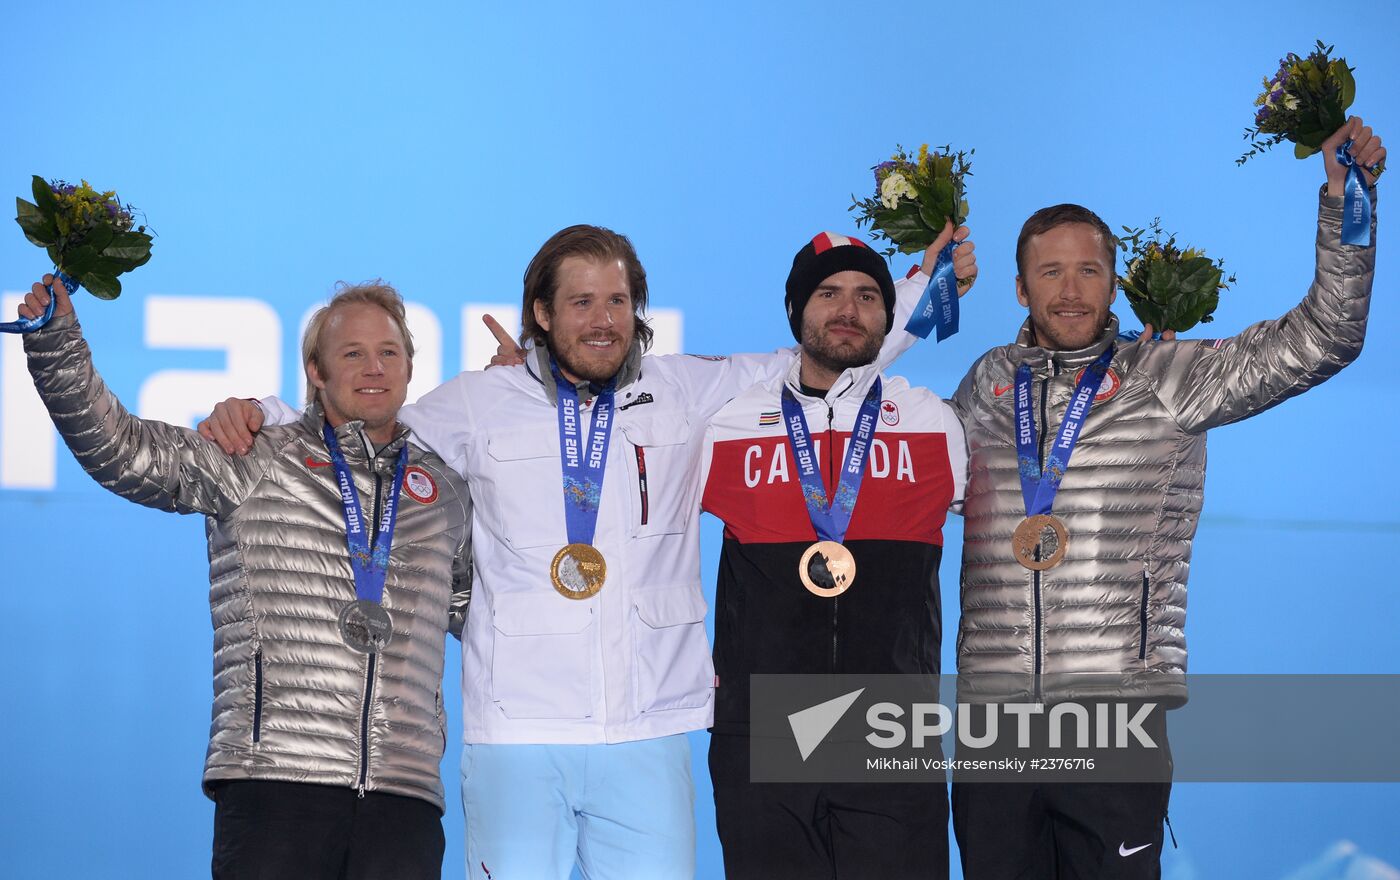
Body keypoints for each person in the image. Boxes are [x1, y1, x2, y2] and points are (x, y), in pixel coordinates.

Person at [199, 222, 976, 879]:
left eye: (617, 301)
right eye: (580, 302)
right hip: (516, 732)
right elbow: (368, 422)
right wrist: (257, 412)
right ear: (541, 312)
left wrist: (926, 286)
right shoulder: (478, 402)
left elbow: (828, 348)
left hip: (650, 727)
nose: (602, 320)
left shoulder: (690, 389)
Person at [947, 117, 1382, 879]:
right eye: (1050, 273)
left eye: (1088, 270)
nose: (1070, 290)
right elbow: (910, 482)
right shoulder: (986, 385)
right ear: (1020, 286)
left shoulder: (1168, 375)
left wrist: (1344, 206)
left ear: (1115, 281)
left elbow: (1327, 336)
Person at [18, 278, 472, 880]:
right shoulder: (254, 457)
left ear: (411, 367)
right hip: (274, 783)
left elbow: (495, 615)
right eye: (352, 353)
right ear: (315, 369)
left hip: (404, 796)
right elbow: (121, 451)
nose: (374, 367)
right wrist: (56, 345)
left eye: (389, 352)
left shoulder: (443, 494)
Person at [698, 232, 967, 878]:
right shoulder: (728, 421)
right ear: (796, 310)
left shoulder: (933, 422)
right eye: (829, 293)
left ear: (889, 315)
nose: (848, 310)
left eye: (868, 296)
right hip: (761, 735)